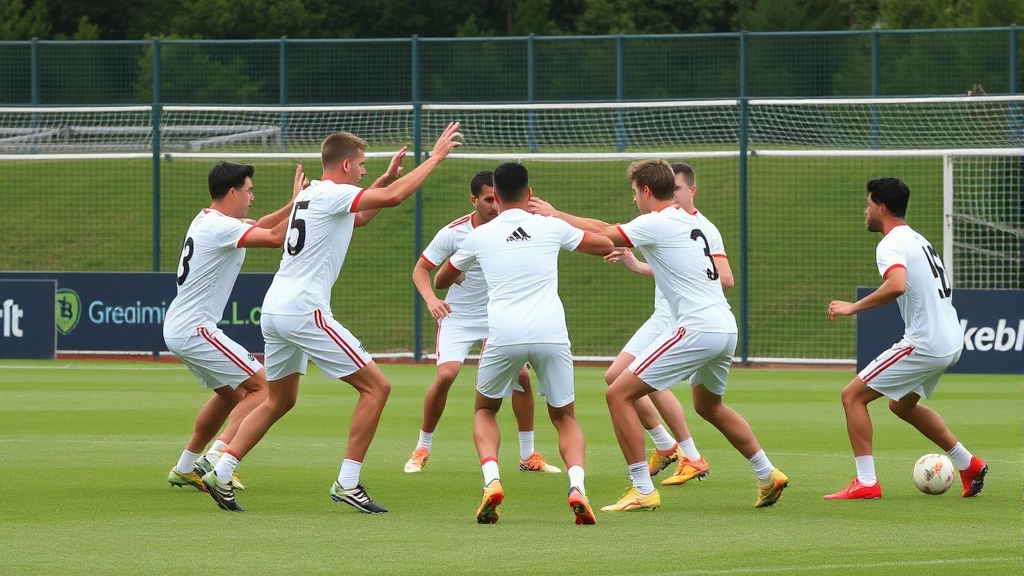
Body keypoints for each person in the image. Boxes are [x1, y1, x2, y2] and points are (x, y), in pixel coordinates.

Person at [201, 123, 462, 513]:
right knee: (377, 388)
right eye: (361, 165)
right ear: (344, 165)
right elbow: (393, 197)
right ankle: (348, 483)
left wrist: (384, 179)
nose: (364, 171)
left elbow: (361, 217)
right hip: (304, 309)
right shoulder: (334, 193)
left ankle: (221, 471)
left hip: (275, 308)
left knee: (278, 400)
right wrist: (435, 158)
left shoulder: (311, 194)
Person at [531, 159, 788, 511]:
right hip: (725, 326)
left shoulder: (657, 221)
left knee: (618, 393)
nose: (634, 199)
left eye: (635, 192)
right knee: (709, 406)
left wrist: (556, 215)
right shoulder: (695, 222)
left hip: (696, 327)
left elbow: (603, 232)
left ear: (647, 190)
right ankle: (767, 473)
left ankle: (642, 488)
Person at [433, 162, 614, 525]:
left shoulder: (479, 236)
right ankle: (577, 487)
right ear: (529, 194)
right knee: (564, 417)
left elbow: (440, 279)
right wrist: (558, 216)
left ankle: (492, 480)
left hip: (504, 335)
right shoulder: (551, 226)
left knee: (485, 410)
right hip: (551, 334)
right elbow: (606, 244)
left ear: (496, 197)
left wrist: (460, 269)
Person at [825, 177, 987, 500]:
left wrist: (853, 307)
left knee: (852, 396)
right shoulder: (918, 239)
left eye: (869, 204)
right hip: (951, 340)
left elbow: (897, 284)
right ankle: (969, 464)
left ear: (882, 208)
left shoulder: (890, 244)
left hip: (925, 342)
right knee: (901, 405)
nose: (865, 211)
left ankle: (866, 482)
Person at [406, 170, 559, 475]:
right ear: (473, 200)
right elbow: (421, 269)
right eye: (487, 199)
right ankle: (422, 447)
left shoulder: (518, 226)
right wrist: (432, 299)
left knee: (522, 378)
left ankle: (528, 455)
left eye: (496, 198)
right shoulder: (454, 233)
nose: (494, 205)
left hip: (498, 317)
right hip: (459, 316)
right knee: (446, 375)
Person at [164, 161, 300, 493]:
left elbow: (261, 225)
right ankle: (217, 457)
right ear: (232, 193)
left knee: (232, 396)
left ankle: (185, 468)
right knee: (263, 389)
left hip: (180, 327)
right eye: (249, 191)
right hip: (195, 328)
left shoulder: (208, 220)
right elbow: (275, 237)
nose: (253, 197)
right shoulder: (220, 228)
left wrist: (293, 203)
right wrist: (301, 204)